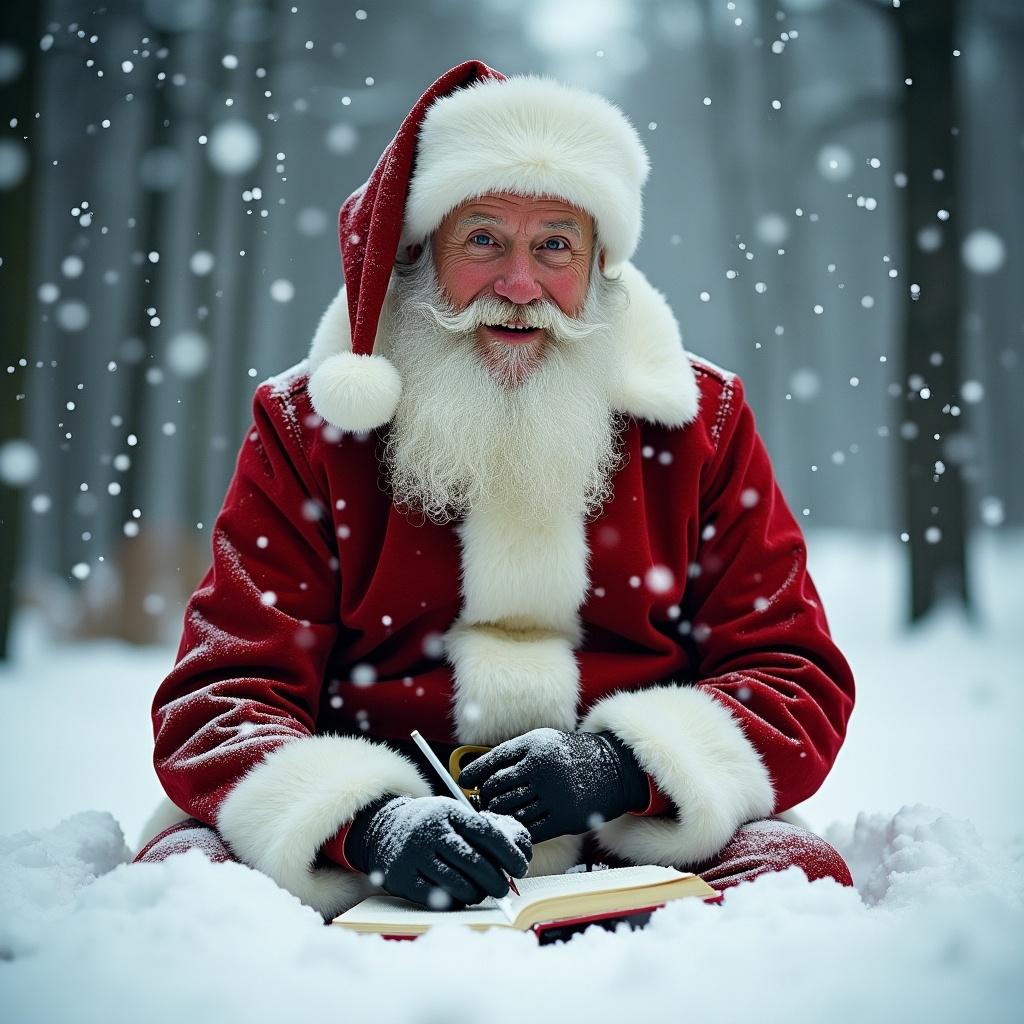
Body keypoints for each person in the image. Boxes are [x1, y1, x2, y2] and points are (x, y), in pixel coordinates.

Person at [136, 61, 856, 920]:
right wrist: (368, 822)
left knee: (795, 881)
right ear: (420, 253)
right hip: (365, 863)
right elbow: (222, 700)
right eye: (483, 239)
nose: (521, 285)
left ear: (598, 265)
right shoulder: (310, 428)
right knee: (184, 892)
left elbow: (792, 672)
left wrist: (622, 768)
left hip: (625, 842)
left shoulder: (700, 422)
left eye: (555, 243)